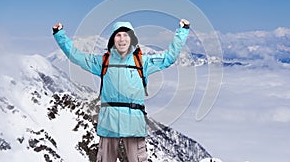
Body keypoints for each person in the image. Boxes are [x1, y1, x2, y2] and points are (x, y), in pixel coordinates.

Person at [52, 19, 190, 162]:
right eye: (118, 35)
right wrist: (59, 34)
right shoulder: (103, 62)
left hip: (134, 126)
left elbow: (169, 57)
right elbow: (76, 56)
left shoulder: (143, 62)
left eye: (126, 35)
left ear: (132, 39)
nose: (122, 39)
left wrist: (183, 30)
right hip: (108, 124)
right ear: (113, 39)